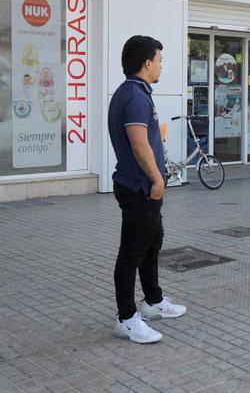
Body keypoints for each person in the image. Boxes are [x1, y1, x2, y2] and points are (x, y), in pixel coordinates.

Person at [107, 35, 186, 344]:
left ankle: (152, 301)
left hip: (143, 186)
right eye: (160, 60)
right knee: (131, 253)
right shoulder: (135, 96)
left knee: (152, 244)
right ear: (147, 63)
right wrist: (156, 178)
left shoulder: (135, 92)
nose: (161, 65)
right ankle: (126, 319)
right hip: (139, 187)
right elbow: (139, 144)